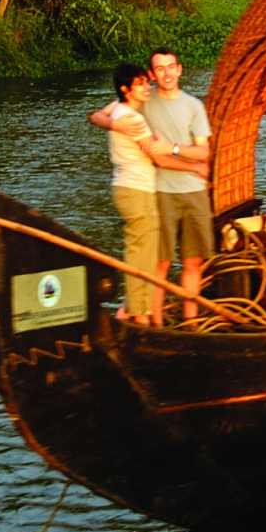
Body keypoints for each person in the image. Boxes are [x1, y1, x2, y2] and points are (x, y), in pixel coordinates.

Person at [90, 48, 214, 326]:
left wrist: (173, 146)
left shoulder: (193, 105)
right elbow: (96, 115)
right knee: (158, 262)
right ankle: (152, 323)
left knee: (192, 261)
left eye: (171, 67)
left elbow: (203, 153)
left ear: (180, 69)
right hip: (157, 191)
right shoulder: (141, 102)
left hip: (192, 190)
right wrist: (111, 123)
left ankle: (189, 323)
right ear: (151, 75)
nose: (166, 73)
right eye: (159, 69)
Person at [88, 62, 158, 326]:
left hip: (128, 187)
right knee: (143, 252)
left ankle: (130, 309)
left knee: (141, 249)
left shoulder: (117, 109)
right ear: (126, 89)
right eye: (140, 83)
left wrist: (107, 123)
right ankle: (139, 314)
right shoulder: (133, 118)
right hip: (137, 188)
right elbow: (155, 153)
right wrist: (194, 162)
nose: (146, 87)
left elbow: (96, 114)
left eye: (145, 82)